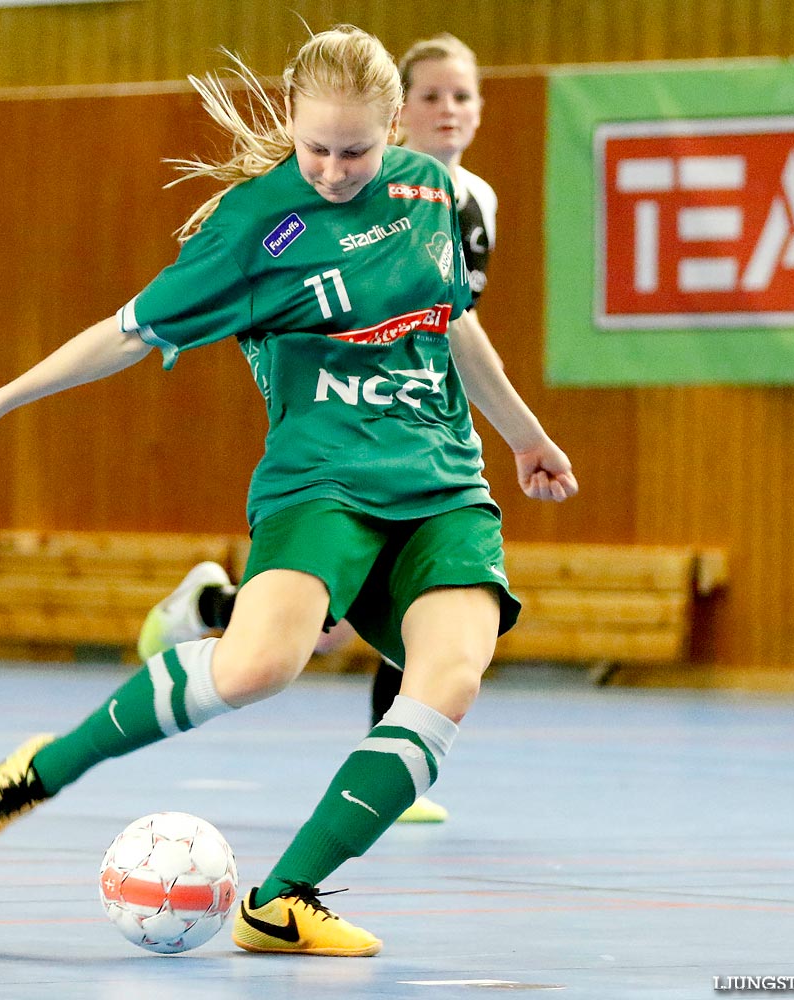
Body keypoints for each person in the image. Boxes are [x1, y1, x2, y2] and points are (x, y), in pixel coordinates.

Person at [0, 25, 577, 958]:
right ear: (290, 120)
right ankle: (42, 768)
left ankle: (283, 902)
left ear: (393, 126)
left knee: (450, 679)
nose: (330, 167)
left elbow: (455, 325)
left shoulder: (431, 190)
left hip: (444, 483)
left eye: (354, 149)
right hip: (319, 484)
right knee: (255, 668)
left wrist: (526, 438)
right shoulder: (251, 227)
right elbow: (123, 333)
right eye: (314, 145)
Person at [137, 35, 502, 826]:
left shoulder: (457, 199)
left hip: (418, 426)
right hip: (332, 429)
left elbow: (451, 324)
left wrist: (513, 431)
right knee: (316, 630)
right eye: (433, 96)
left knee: (401, 614)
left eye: (462, 96)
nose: (449, 110)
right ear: (400, 112)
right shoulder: (320, 199)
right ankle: (205, 614)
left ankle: (388, 747)